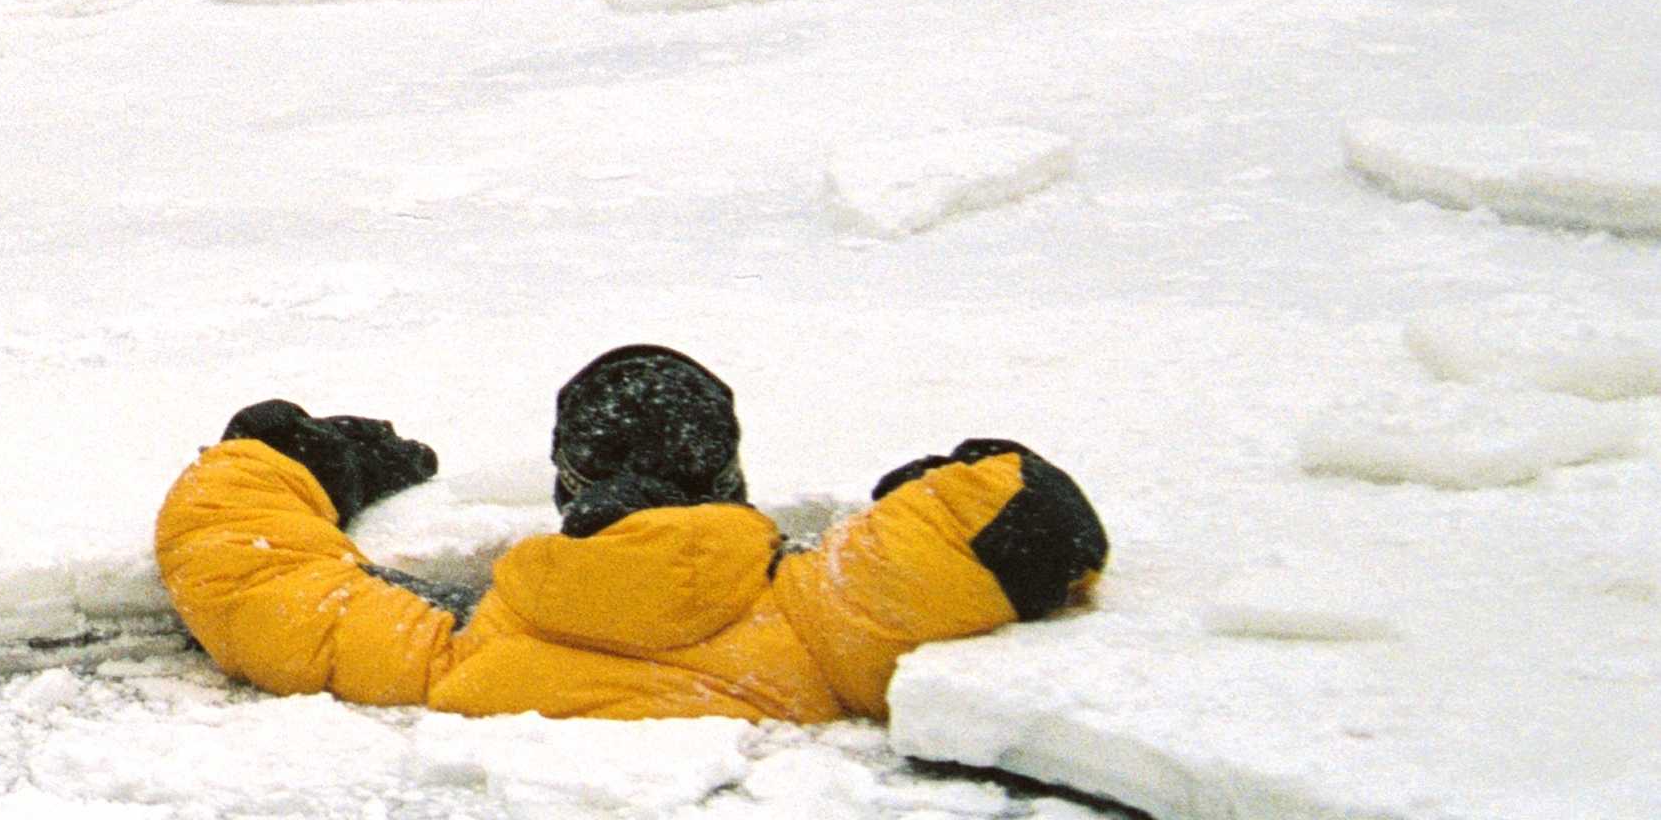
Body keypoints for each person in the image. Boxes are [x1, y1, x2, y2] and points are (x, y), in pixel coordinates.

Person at [155, 346, 1106, 723]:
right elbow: (1027, 511)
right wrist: (916, 488)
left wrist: (309, 461)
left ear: (572, 489)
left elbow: (245, 569)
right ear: (728, 476)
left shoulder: (458, 652)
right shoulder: (835, 624)